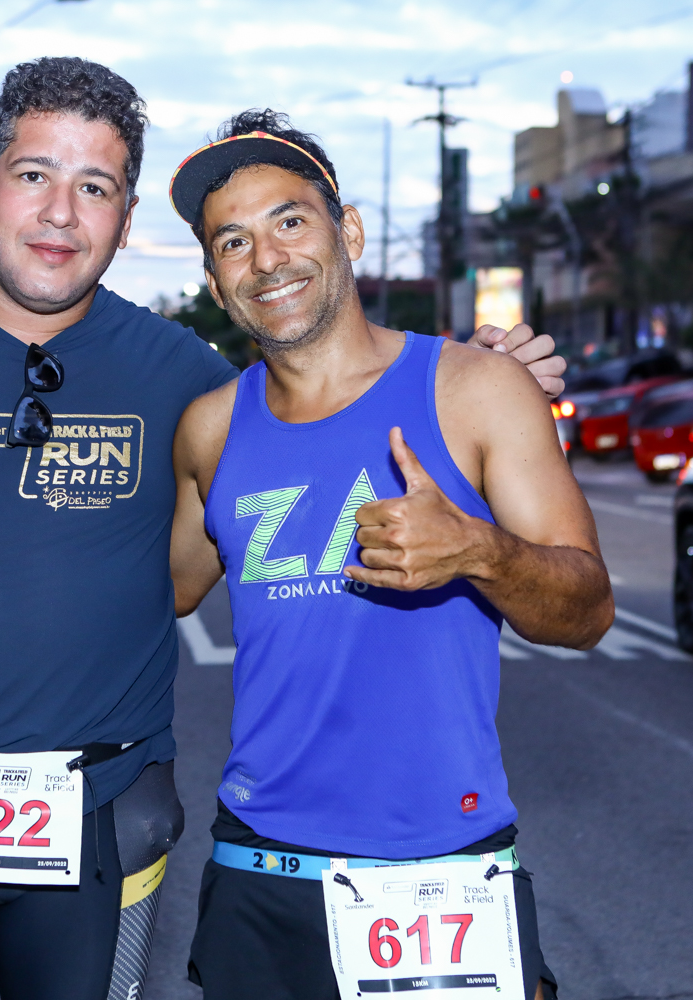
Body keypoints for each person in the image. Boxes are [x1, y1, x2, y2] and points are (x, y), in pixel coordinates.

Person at [0, 59, 565, 1000]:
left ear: (125, 218)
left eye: (95, 187)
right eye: (34, 174)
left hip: (105, 814)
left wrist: (485, 387)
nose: (60, 213)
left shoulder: (185, 380)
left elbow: (315, 412)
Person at [165, 111, 612, 1000]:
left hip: (440, 875)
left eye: (290, 220)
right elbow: (157, 591)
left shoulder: (478, 390)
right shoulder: (209, 430)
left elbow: (588, 611)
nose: (268, 259)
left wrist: (482, 551)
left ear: (350, 231)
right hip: (259, 868)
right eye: (233, 242)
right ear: (216, 281)